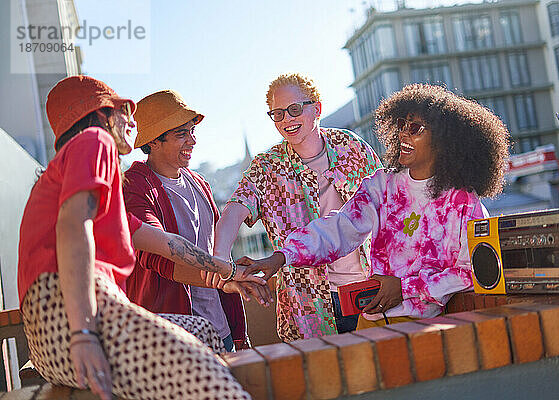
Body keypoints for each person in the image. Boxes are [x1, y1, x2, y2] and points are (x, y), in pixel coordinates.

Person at [17, 75, 251, 400]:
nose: (133, 120)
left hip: (52, 337)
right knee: (214, 382)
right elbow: (73, 228)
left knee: (205, 333)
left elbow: (168, 244)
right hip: (74, 317)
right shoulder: (94, 141)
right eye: (125, 108)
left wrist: (229, 273)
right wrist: (83, 333)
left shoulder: (98, 191)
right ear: (102, 115)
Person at [241, 83, 510, 329]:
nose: (403, 134)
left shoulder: (462, 201)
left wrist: (404, 288)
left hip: (427, 329)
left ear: (443, 140)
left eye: (414, 128)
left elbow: (473, 271)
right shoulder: (382, 185)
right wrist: (279, 257)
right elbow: (339, 227)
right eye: (402, 124)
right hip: (370, 323)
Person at [213, 73, 382, 342]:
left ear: (317, 108)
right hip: (309, 307)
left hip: (370, 290)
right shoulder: (267, 167)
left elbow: (388, 206)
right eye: (278, 114)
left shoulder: (352, 147)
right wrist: (221, 260)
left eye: (294, 110)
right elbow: (234, 210)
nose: (287, 120)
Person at [123, 90, 265, 351]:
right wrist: (226, 276)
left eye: (192, 131)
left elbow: (217, 252)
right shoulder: (135, 186)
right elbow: (158, 257)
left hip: (220, 330)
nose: (192, 141)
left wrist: (230, 277)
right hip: (172, 340)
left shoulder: (199, 181)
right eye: (181, 134)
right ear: (154, 141)